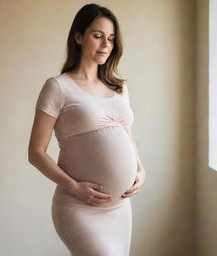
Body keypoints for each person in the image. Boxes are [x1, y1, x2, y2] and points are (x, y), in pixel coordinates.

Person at [28, 3, 145, 256]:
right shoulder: (58, 87)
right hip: (79, 207)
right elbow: (36, 153)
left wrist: (139, 169)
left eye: (111, 39)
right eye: (98, 36)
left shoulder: (119, 88)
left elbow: (126, 134)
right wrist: (74, 187)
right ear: (79, 37)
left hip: (120, 208)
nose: (105, 45)